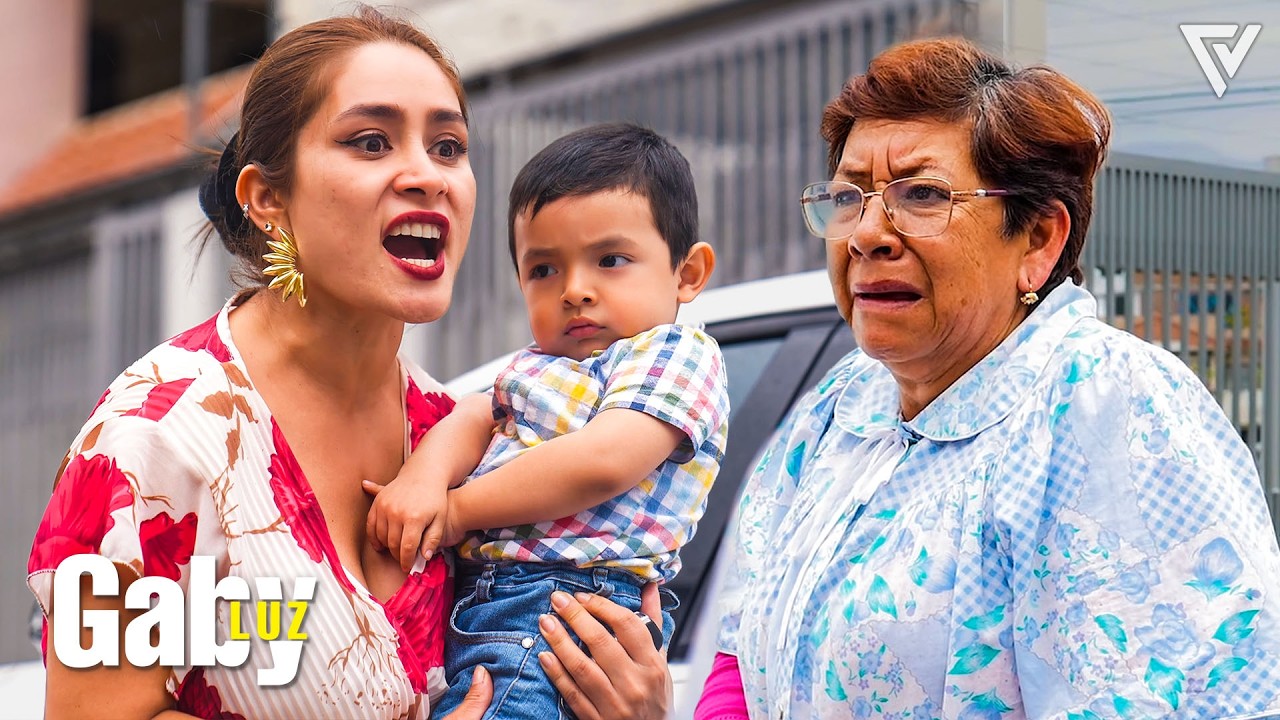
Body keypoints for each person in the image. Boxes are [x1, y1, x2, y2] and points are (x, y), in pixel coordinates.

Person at [26, 8, 671, 720]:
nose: (427, 176)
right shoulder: (152, 442)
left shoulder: (463, 438)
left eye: (449, 146)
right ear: (268, 197)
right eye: (371, 142)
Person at [696, 37, 1280, 719]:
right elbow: (743, 652)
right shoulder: (838, 409)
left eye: (922, 194)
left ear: (1037, 240)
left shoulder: (1107, 407)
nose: (866, 234)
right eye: (850, 197)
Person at [364, 123, 728, 719]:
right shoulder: (541, 365)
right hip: (498, 605)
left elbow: (604, 461)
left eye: (610, 260)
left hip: (571, 605)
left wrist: (457, 511)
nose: (575, 291)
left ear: (687, 274)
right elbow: (476, 413)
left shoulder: (673, 353)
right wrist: (423, 478)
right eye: (544, 270)